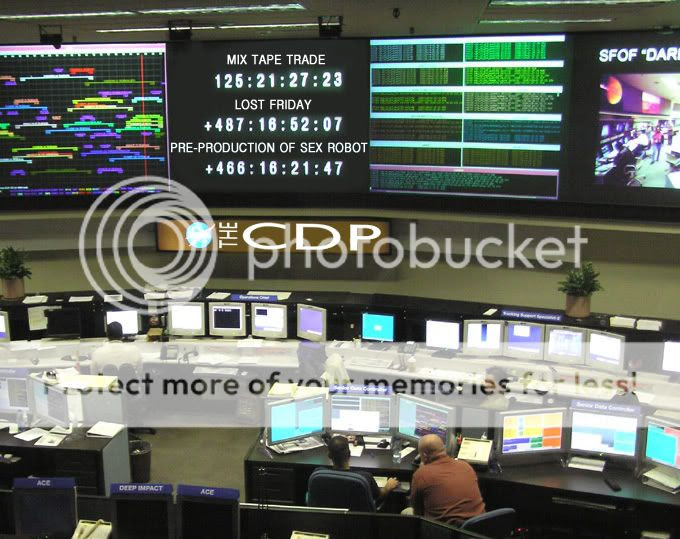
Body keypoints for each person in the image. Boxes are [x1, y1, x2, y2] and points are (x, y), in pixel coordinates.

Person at [405, 434, 485, 525]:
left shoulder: (421, 475)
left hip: (445, 530)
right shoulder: (466, 466)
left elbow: (417, 512)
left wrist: (422, 470)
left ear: (424, 455)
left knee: (406, 512)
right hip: (478, 527)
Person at [325, 435, 398, 503]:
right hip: (359, 513)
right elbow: (378, 496)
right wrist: (387, 487)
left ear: (329, 455)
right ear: (349, 454)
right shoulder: (364, 477)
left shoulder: (320, 473)